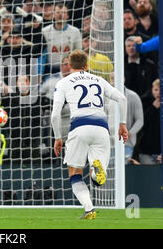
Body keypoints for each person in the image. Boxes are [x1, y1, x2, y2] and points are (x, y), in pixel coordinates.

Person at [51, 49, 128, 219]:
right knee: (97, 175)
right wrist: (122, 124)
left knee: (75, 172)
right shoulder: (99, 80)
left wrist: (58, 137)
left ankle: (89, 209)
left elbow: (55, 114)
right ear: (86, 65)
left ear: (69, 66)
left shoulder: (64, 82)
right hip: (101, 129)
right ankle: (96, 172)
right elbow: (122, 98)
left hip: (79, 128)